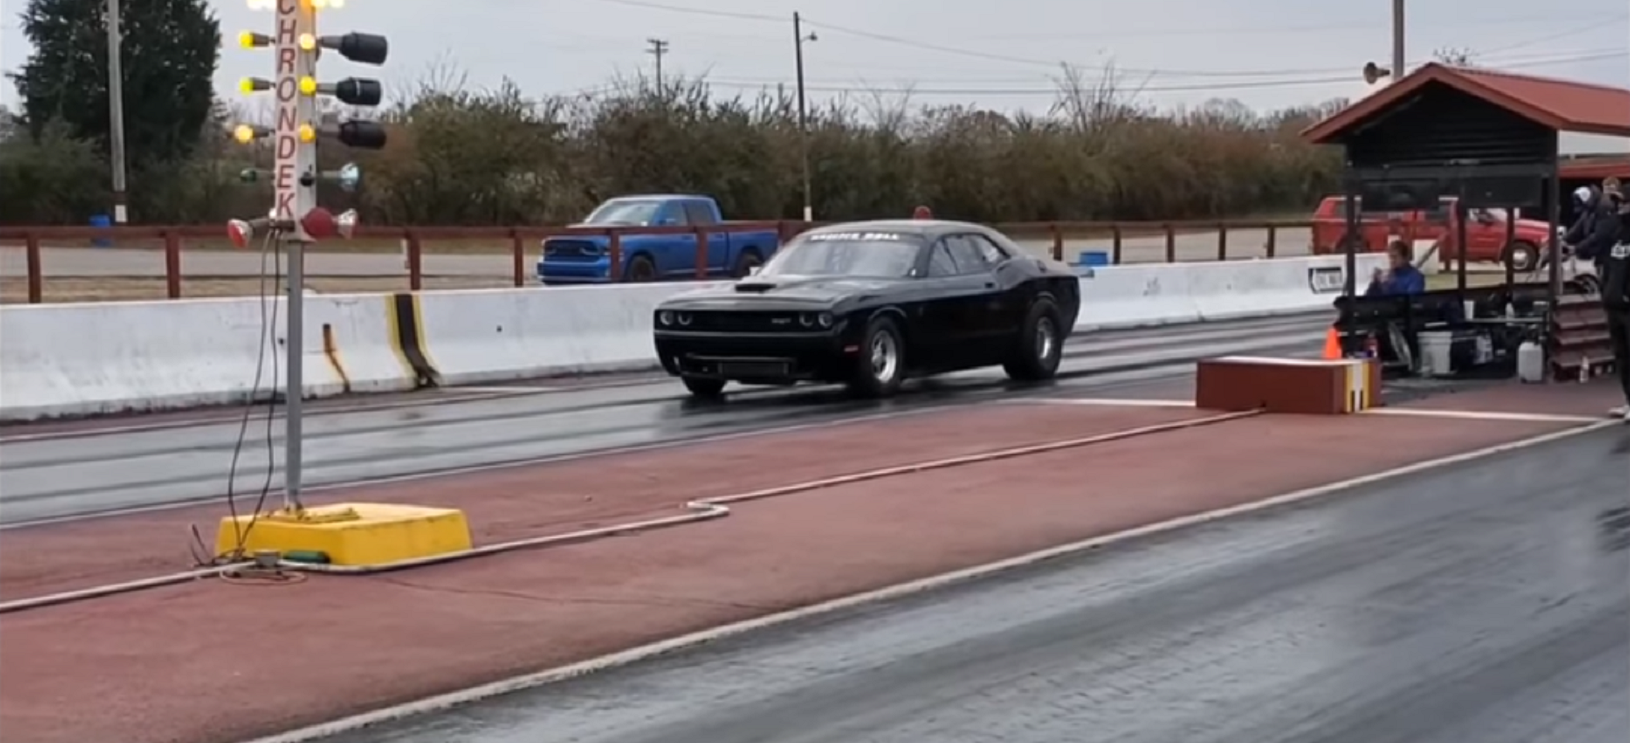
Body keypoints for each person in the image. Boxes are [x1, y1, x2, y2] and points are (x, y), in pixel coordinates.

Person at [1602, 188, 1629, 422]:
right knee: (1622, 356)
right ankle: (1629, 401)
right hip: (1614, 305)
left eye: (1624, 202)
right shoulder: (1616, 231)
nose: (1620, 207)